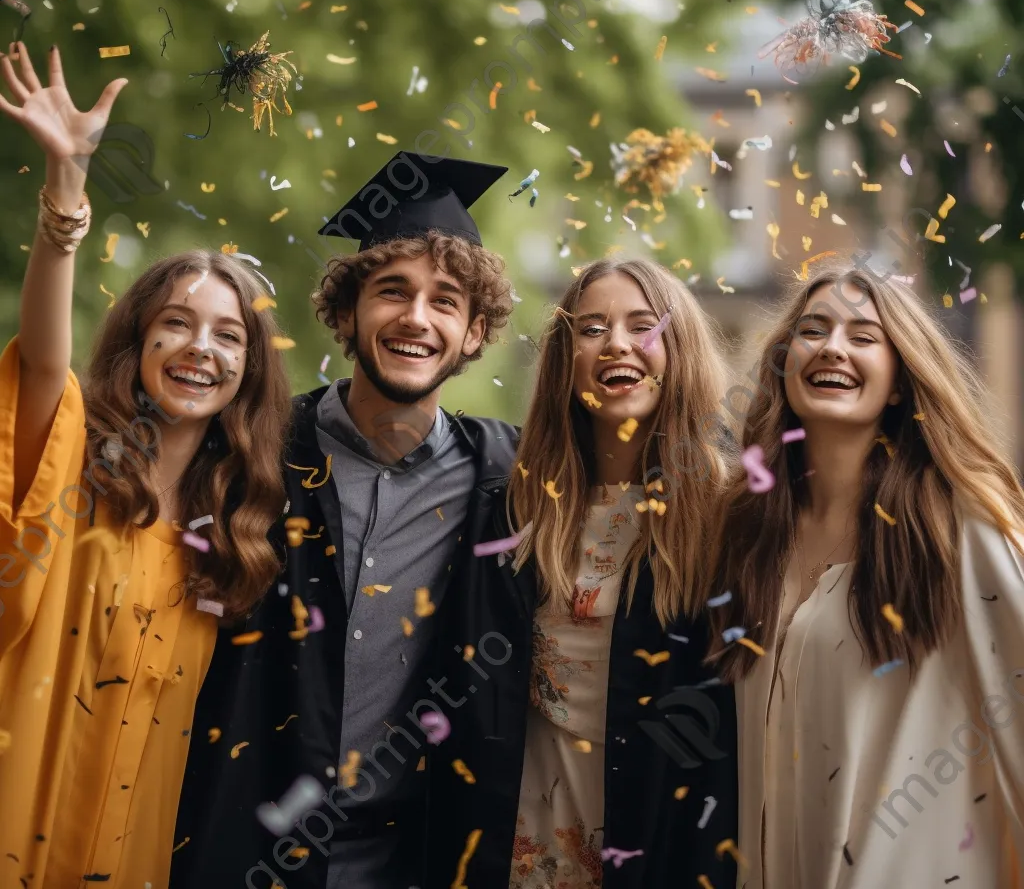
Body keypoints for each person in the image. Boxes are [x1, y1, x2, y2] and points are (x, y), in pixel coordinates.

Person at [172, 151, 519, 889]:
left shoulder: (506, 478)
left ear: (475, 331)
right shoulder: (250, 452)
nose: (416, 318)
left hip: (413, 858)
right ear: (345, 309)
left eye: (446, 301)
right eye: (392, 291)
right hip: (236, 844)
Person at [0, 41, 292, 889]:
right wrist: (66, 190)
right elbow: (45, 362)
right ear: (139, 341)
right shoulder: (71, 460)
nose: (201, 348)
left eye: (229, 335)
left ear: (249, 371)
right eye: (177, 323)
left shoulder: (231, 532)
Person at [426, 257, 740, 889]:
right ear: (565, 361)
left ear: (678, 349)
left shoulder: (726, 517)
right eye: (591, 328)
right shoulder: (515, 510)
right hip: (523, 835)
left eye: (642, 325)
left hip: (661, 840)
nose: (618, 343)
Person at [707, 263, 1024, 888]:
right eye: (814, 329)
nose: (832, 347)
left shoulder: (958, 530)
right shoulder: (749, 535)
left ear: (901, 381)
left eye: (863, 335)